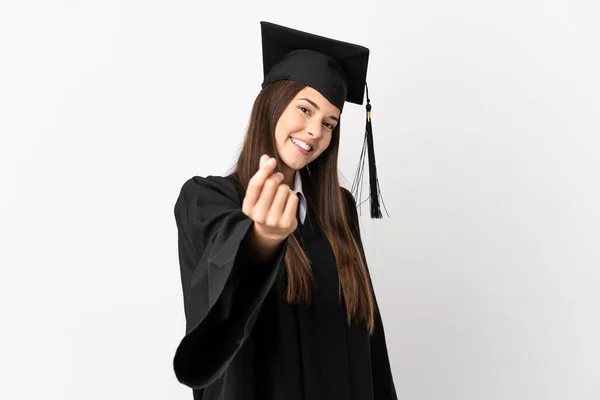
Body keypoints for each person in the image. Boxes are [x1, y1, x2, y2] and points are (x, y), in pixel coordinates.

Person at [172, 21, 396, 400]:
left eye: (329, 123)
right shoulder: (206, 200)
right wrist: (261, 240)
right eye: (305, 109)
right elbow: (215, 308)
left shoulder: (338, 210)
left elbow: (369, 338)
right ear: (273, 104)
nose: (314, 131)